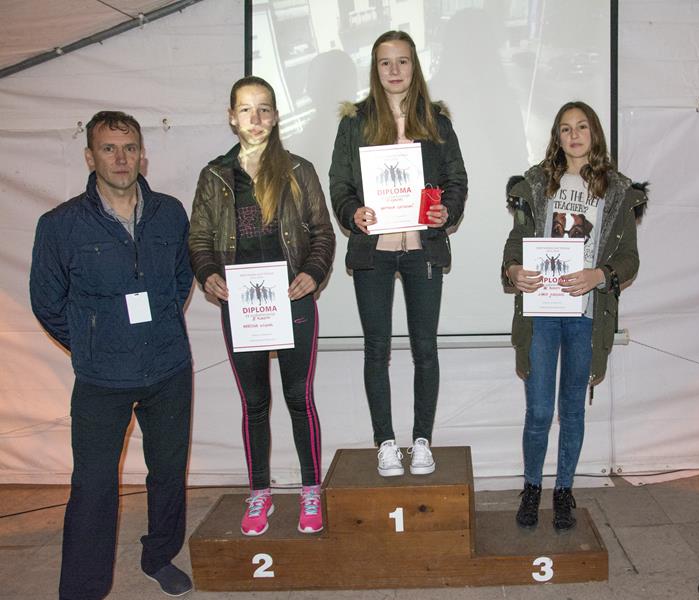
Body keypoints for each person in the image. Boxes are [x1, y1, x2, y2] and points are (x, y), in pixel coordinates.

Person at [30, 111, 194, 598]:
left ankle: (159, 556)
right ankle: (84, 588)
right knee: (94, 485)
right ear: (90, 157)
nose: (121, 159)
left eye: (129, 148)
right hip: (102, 378)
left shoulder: (170, 213)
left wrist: (159, 326)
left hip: (168, 367)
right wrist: (93, 340)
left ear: (142, 155)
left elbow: (180, 279)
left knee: (168, 473)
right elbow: (47, 302)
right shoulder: (60, 225)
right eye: (109, 149)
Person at [189, 76, 335, 536]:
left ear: (275, 115)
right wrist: (207, 272)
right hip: (241, 305)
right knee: (254, 403)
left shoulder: (299, 170)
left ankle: (311, 489)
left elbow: (322, 232)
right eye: (246, 109)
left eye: (264, 108)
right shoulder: (214, 175)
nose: (255, 118)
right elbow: (198, 238)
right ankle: (259, 493)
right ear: (232, 117)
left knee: (298, 398)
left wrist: (313, 272)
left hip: (292, 300)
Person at [329, 30, 467, 477]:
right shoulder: (355, 122)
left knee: (425, 348)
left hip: (422, 250)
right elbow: (339, 184)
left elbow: (456, 179)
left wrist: (447, 210)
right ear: (375, 69)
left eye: (402, 61)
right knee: (376, 349)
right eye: (385, 62)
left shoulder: (436, 121)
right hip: (374, 252)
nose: (394, 70)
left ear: (414, 66)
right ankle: (386, 442)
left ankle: (422, 440)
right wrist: (352, 212)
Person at [502, 101, 646, 530]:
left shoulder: (617, 191)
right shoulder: (536, 184)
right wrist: (513, 269)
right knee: (539, 411)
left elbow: (629, 258)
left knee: (573, 410)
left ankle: (563, 491)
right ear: (557, 137)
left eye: (582, 127)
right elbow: (515, 241)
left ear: (594, 133)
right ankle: (532, 488)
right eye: (565, 129)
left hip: (587, 315)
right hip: (541, 312)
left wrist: (599, 275)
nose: (574, 135)